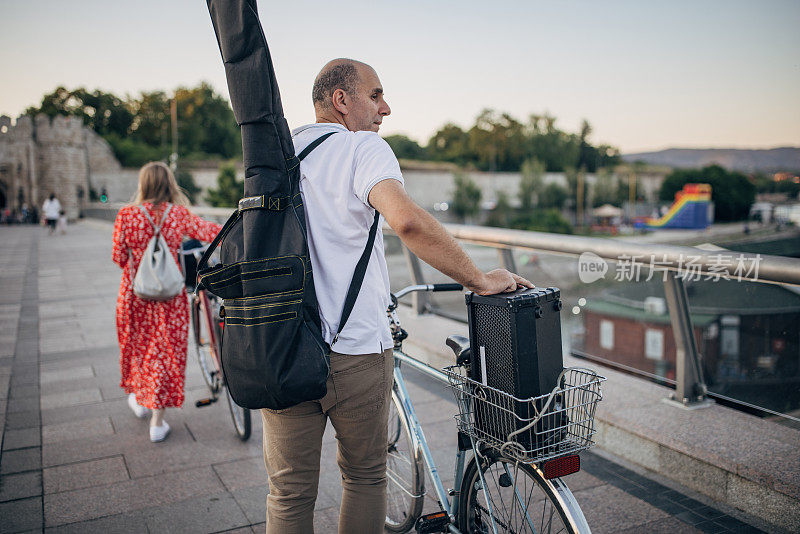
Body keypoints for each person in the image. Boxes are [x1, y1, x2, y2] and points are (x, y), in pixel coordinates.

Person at [260, 58, 533, 534]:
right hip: (357, 349)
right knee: (365, 477)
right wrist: (479, 279)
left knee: (288, 491)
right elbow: (405, 220)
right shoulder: (363, 147)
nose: (386, 108)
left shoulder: (280, 154)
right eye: (375, 95)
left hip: (283, 345)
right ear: (341, 100)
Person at [112, 162, 222, 442]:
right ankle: (157, 423)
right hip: (168, 299)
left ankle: (139, 397)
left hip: (134, 296)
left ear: (143, 184)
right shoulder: (178, 214)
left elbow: (119, 258)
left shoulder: (126, 215)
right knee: (163, 354)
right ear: (169, 184)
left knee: (138, 349)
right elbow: (209, 232)